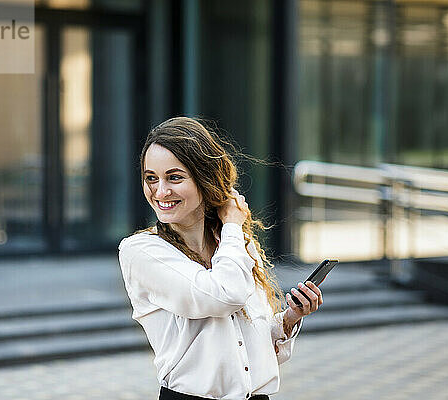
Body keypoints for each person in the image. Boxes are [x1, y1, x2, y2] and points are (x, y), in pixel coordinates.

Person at [118, 117, 323, 400]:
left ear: (205, 180)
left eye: (174, 177)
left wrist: (289, 318)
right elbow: (224, 295)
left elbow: (250, 350)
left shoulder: (233, 244)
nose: (160, 191)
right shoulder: (141, 251)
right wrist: (232, 225)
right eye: (151, 178)